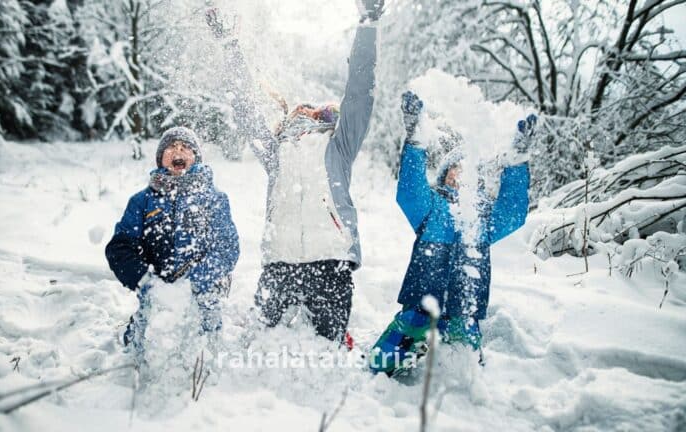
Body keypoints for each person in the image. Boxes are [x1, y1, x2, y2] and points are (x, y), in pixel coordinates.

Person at [205, 1, 384, 344]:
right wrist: (230, 47)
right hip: (279, 263)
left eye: (314, 109)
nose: (305, 109)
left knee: (326, 351)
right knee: (259, 345)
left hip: (330, 260)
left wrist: (367, 24)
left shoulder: (338, 147)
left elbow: (359, 93)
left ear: (325, 118)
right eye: (298, 108)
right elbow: (244, 109)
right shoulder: (276, 153)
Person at [369, 91, 536, 375]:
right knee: (382, 360)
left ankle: (462, 384)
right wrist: (415, 142)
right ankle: (390, 366)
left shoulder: (482, 219)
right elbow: (409, 192)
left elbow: (512, 213)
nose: (460, 175)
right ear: (445, 174)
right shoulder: (432, 206)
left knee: (466, 366)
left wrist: (517, 162)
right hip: (421, 303)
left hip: (464, 309)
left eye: (467, 171)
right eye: (454, 169)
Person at [105, 127, 240, 358]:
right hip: (157, 294)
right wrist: (146, 282)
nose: (178, 150)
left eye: (185, 147)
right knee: (145, 350)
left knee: (203, 354)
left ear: (195, 158)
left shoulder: (215, 199)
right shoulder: (142, 201)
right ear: (160, 159)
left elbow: (227, 247)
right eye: (171, 147)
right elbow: (119, 248)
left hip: (203, 294)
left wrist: (197, 280)